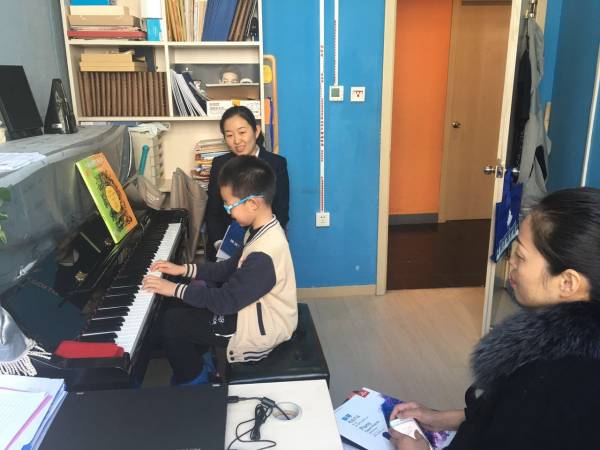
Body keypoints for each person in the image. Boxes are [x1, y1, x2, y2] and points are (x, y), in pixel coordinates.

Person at [389, 187, 600, 450]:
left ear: (567, 283)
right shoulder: (561, 355)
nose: (511, 263)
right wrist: (441, 419)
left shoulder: (549, 381)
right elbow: (506, 416)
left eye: (521, 256)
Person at [142, 155, 297, 385]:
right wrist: (183, 270)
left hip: (259, 329)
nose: (227, 211)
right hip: (248, 307)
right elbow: (227, 268)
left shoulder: (265, 254)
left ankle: (197, 383)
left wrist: (173, 289)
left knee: (172, 323)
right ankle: (201, 362)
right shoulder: (258, 228)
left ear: (253, 204)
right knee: (174, 305)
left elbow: (225, 301)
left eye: (229, 205)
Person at [205, 105, 289, 261]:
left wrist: (261, 245)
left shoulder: (276, 164)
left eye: (242, 132)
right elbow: (213, 212)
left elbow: (281, 211)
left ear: (256, 131)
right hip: (225, 245)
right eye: (229, 135)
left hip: (263, 241)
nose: (237, 141)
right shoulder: (219, 164)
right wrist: (219, 244)